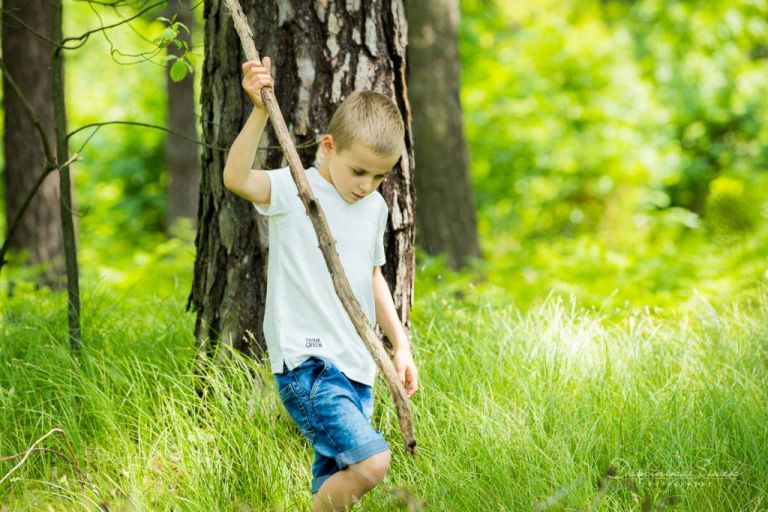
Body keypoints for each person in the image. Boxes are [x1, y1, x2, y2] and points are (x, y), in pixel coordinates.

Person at [223, 56, 419, 512]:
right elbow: (235, 179)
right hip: (309, 364)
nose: (367, 185)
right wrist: (257, 112)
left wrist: (400, 345)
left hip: (358, 368)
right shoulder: (296, 190)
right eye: (359, 171)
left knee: (335, 487)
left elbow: (372, 277)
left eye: (379, 176)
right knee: (373, 463)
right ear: (328, 147)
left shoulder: (373, 210)